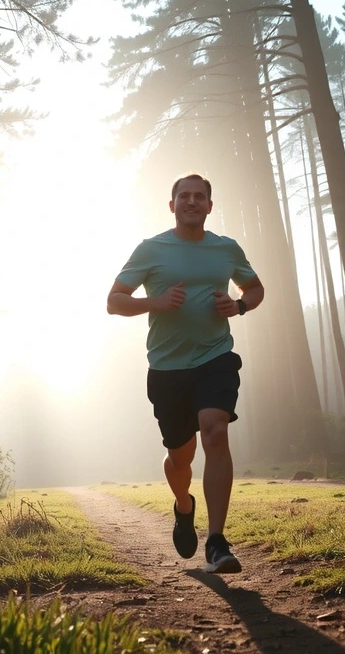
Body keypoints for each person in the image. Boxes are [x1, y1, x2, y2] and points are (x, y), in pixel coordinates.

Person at [106, 174, 264, 573]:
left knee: (216, 430)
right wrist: (153, 302)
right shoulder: (151, 249)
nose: (192, 202)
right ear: (172, 204)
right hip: (167, 369)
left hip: (216, 358)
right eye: (184, 196)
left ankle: (216, 541)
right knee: (180, 458)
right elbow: (114, 301)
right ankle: (183, 504)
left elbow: (255, 288)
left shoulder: (226, 249)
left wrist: (239, 307)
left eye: (200, 197)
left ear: (210, 206)